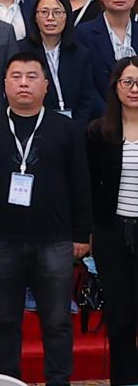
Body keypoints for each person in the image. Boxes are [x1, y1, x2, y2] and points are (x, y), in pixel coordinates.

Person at [0, 51, 91, 386]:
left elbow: (81, 182)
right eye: (16, 77)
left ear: (46, 85)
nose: (23, 84)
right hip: (0, 238)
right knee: (4, 320)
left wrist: (81, 233)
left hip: (54, 239)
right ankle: (6, 380)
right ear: (4, 84)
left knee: (57, 321)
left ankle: (59, 380)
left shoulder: (66, 128)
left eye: (31, 77)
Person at [88, 56, 138, 384]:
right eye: (128, 82)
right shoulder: (99, 132)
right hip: (112, 233)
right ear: (115, 87)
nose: (134, 89)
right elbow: (90, 187)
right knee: (119, 318)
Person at [33, 0, 105, 125]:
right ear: (35, 17)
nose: (50, 18)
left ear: (67, 17)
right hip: (37, 125)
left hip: (75, 126)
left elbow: (86, 97)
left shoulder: (80, 53)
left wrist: (76, 128)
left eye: (57, 12)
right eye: (44, 12)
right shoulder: (23, 51)